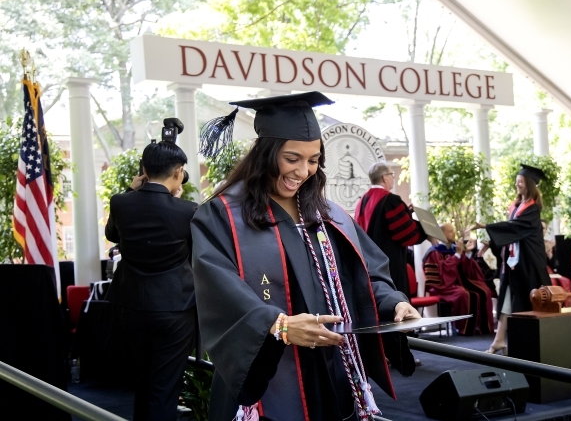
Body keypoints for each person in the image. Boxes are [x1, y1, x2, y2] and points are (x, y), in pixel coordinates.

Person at [191, 91, 421, 421]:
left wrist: (395, 303)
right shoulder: (223, 216)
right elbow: (219, 291)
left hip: (333, 368)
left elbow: (365, 273)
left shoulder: (329, 216)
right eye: (292, 158)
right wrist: (279, 326)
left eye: (313, 160)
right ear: (265, 154)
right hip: (269, 373)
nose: (303, 171)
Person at [105, 141, 197, 421]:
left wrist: (132, 191)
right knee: (164, 388)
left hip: (130, 305)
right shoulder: (188, 210)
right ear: (179, 172)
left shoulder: (121, 202)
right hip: (174, 308)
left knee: (142, 381)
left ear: (144, 170)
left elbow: (112, 235)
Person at [468, 164, 551, 355]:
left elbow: (515, 229)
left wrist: (486, 225)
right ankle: (499, 341)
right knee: (506, 300)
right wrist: (490, 242)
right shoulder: (516, 206)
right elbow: (511, 232)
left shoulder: (532, 210)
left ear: (529, 184)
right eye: (516, 182)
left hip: (528, 264)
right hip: (513, 264)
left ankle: (535, 344)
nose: (518, 185)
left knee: (528, 304)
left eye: (521, 182)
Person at [354, 161, 436, 298]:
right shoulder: (391, 200)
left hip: (370, 265)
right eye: (392, 174)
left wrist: (406, 213)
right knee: (396, 303)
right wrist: (426, 229)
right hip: (390, 264)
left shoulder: (363, 201)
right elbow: (405, 233)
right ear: (384, 178)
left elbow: (385, 225)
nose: (393, 178)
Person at [422, 224, 494, 336]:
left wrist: (468, 253)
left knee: (485, 291)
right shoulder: (434, 252)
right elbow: (443, 274)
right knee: (463, 294)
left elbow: (467, 269)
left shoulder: (455, 249)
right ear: (442, 234)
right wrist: (457, 255)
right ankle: (465, 329)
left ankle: (481, 327)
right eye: (450, 231)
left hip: (457, 283)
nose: (454, 233)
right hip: (441, 287)